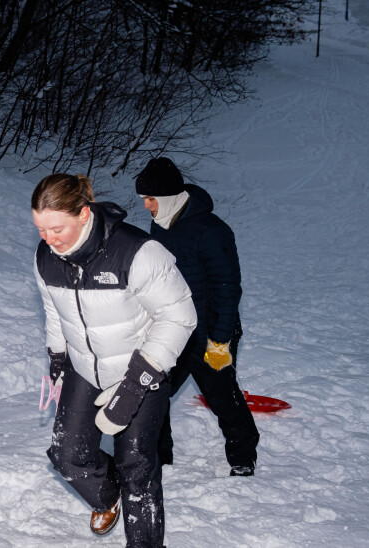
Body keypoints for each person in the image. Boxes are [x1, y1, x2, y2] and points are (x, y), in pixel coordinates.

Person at [32, 173, 196, 546]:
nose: (48, 239)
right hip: (84, 369)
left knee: (136, 465)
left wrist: (137, 381)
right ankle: (108, 496)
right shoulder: (46, 258)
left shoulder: (137, 252)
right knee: (66, 455)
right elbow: (55, 311)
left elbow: (179, 315)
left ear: (84, 214)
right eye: (40, 229)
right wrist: (58, 356)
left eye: (56, 228)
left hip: (141, 368)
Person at [134, 157, 260, 477]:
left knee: (222, 396)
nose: (146, 205)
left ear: (167, 197)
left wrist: (219, 341)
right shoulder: (159, 227)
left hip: (209, 332)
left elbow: (227, 288)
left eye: (150, 199)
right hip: (174, 331)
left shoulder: (212, 231)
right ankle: (159, 460)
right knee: (153, 393)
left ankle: (243, 455)